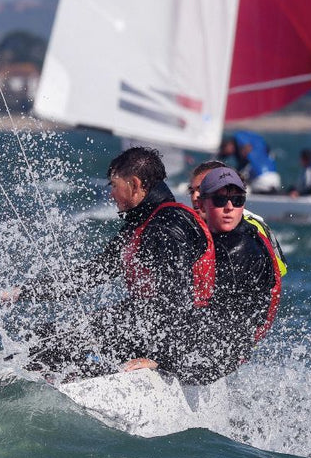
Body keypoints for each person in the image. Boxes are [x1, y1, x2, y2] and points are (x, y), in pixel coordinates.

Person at [15, 146, 215, 381]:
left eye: (114, 185)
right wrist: (23, 292)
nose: (111, 193)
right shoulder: (143, 222)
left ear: (134, 184)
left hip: (172, 339)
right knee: (47, 339)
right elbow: (91, 274)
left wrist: (161, 359)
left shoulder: (166, 226)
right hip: (145, 323)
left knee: (47, 342)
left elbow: (178, 299)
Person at [186, 164, 284, 380]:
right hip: (228, 336)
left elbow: (275, 279)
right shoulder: (211, 229)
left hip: (229, 344)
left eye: (236, 200)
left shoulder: (240, 243)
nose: (194, 196)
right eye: (191, 190)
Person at [189, 159, 288, 280]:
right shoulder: (200, 225)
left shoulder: (249, 230)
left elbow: (277, 274)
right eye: (192, 191)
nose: (195, 197)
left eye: (201, 189)